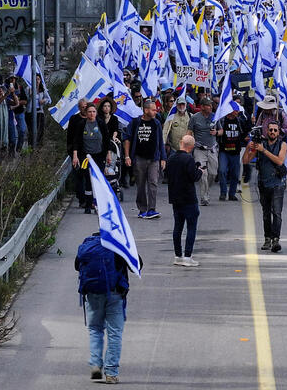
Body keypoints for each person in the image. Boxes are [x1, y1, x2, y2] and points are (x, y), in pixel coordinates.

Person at [75, 233, 141, 384]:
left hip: (92, 294)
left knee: (95, 329)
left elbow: (76, 265)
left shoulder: (88, 244)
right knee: (114, 333)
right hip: (115, 294)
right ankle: (111, 373)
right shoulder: (118, 245)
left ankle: (96, 366)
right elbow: (137, 264)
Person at [243, 121, 287, 250]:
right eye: (270, 130)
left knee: (277, 213)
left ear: (279, 132)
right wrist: (249, 148)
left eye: (275, 130)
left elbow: (280, 161)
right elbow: (246, 161)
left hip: (277, 183)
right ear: (266, 132)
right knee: (266, 213)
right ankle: (267, 239)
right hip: (263, 183)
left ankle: (276, 240)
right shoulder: (260, 145)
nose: (273, 132)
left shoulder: (282, 144)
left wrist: (264, 151)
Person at [166, 135, 204, 266]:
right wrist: (199, 171)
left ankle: (178, 255)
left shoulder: (171, 158)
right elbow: (193, 177)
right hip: (188, 198)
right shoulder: (188, 159)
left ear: (181, 143)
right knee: (191, 227)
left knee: (178, 227)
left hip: (175, 197)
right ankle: (188, 256)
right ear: (191, 146)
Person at [124, 100, 166, 219]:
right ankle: (142, 209)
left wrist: (163, 158)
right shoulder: (135, 122)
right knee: (141, 184)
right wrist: (127, 156)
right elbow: (127, 139)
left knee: (153, 183)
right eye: (153, 109)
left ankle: (152, 209)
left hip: (153, 159)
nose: (155, 111)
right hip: (139, 158)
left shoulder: (156, 123)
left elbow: (160, 141)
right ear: (146, 110)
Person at [72, 103, 114, 214]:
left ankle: (98, 204)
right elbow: (76, 141)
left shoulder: (100, 123)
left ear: (96, 113)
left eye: (93, 112)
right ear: (86, 113)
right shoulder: (82, 124)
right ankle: (88, 204)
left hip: (99, 155)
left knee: (98, 179)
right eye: (89, 112)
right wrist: (75, 156)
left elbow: (106, 140)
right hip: (86, 156)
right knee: (88, 180)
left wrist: (108, 154)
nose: (92, 114)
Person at [187, 98, 217, 206]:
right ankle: (204, 197)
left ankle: (206, 190)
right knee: (203, 173)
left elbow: (221, 131)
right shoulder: (195, 118)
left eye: (211, 105)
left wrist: (217, 132)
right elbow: (189, 132)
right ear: (202, 106)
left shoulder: (215, 116)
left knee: (213, 173)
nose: (211, 107)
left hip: (212, 149)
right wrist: (188, 144)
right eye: (208, 105)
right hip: (200, 149)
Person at [215, 106, 246, 202]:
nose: (237, 112)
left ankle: (232, 194)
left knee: (235, 174)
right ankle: (223, 193)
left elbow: (245, 133)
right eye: (235, 110)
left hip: (235, 152)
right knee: (222, 171)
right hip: (224, 151)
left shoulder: (240, 121)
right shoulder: (222, 120)